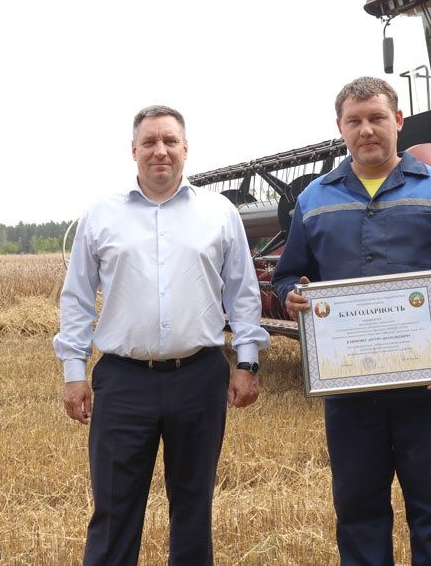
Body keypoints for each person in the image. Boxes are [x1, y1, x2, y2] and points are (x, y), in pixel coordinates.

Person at [272, 76, 431, 565]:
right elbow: (287, 276)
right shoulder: (314, 200)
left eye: (376, 118)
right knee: (358, 513)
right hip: (350, 390)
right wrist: (292, 296)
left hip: (427, 386)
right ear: (340, 127)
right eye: (354, 121)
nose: (366, 130)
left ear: (398, 121)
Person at [54, 104, 269, 565]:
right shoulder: (101, 215)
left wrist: (247, 362)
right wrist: (74, 372)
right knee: (113, 510)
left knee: (193, 508)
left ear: (186, 148)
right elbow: (76, 299)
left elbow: (243, 293)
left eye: (170, 141)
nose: (160, 150)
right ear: (133, 150)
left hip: (199, 377)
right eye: (149, 142)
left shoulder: (219, 213)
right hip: (123, 380)